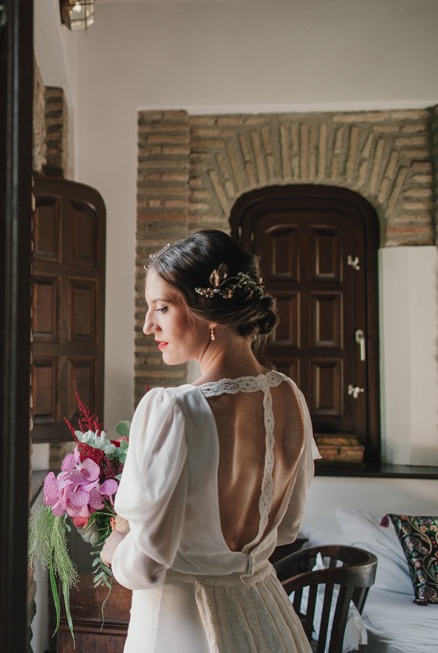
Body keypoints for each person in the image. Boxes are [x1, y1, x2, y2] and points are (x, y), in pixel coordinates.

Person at [99, 229, 320, 652]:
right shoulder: (291, 397)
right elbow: (289, 528)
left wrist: (114, 546)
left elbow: (144, 566)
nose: (148, 326)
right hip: (265, 620)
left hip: (177, 627)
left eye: (161, 308)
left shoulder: (171, 409)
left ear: (210, 311)